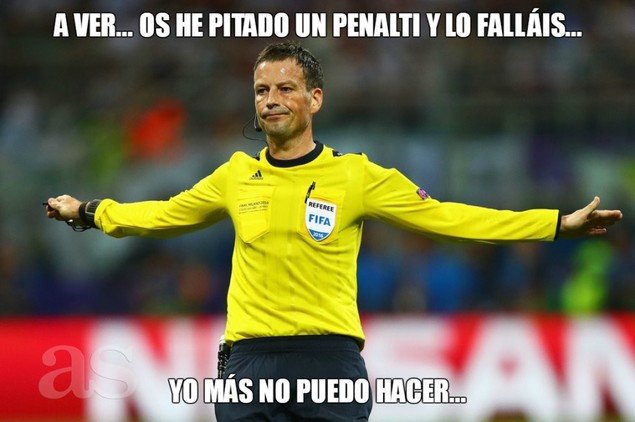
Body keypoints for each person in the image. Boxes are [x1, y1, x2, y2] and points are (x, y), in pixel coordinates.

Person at [45, 41, 623, 421]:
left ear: (314, 98)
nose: (271, 101)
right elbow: (162, 214)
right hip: (247, 365)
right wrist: (92, 212)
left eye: (285, 88)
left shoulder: (356, 176)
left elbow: (451, 216)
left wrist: (555, 225)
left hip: (328, 362)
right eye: (262, 91)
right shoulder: (234, 175)